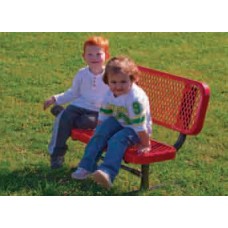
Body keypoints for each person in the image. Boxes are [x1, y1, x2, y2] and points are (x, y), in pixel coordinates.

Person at [71, 56, 152, 188]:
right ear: (107, 81)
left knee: (117, 139)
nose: (118, 86)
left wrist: (145, 144)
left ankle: (107, 172)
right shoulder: (110, 92)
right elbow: (105, 112)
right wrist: (100, 130)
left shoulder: (135, 100)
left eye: (123, 82)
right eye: (113, 82)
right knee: (100, 132)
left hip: (136, 129)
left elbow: (140, 125)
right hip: (120, 120)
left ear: (133, 79)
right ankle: (86, 166)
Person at [43, 36, 110, 169]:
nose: (94, 57)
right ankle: (57, 154)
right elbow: (73, 92)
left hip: (98, 112)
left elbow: (117, 94)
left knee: (86, 122)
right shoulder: (82, 74)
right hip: (79, 106)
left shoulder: (110, 75)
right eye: (89, 54)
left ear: (106, 55)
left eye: (98, 54)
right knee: (64, 119)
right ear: (84, 56)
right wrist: (55, 99)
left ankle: (62, 114)